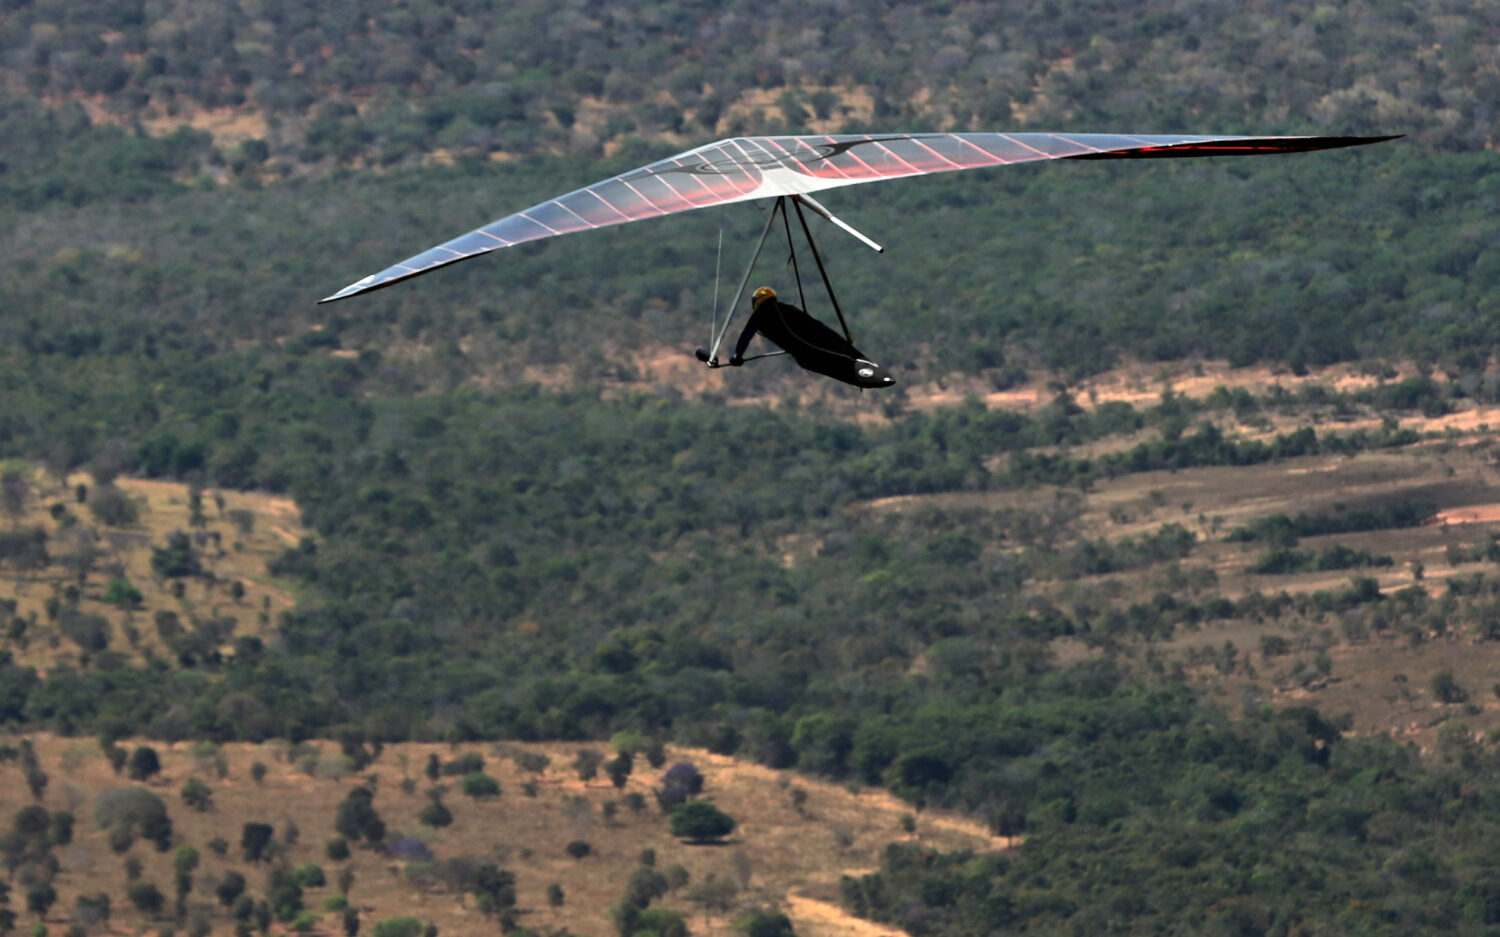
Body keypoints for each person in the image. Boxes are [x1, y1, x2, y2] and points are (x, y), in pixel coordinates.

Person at [729, 287, 896, 389]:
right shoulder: (783, 308)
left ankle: (859, 368)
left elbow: (746, 336)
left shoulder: (763, 312)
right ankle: (861, 364)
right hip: (817, 341)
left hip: (807, 352)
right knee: (838, 351)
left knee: (830, 359)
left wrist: (737, 356)